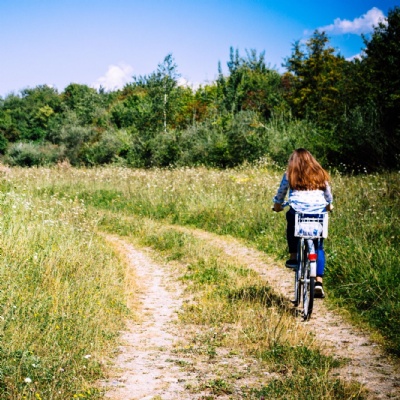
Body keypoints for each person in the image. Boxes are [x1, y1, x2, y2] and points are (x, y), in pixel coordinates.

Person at [273, 148, 333, 298]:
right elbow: (328, 195)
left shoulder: (290, 175)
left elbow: (281, 193)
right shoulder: (320, 174)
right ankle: (318, 281)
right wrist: (329, 205)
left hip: (298, 213)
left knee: (291, 220)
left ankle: (293, 256)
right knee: (318, 245)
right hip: (318, 214)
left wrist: (277, 205)